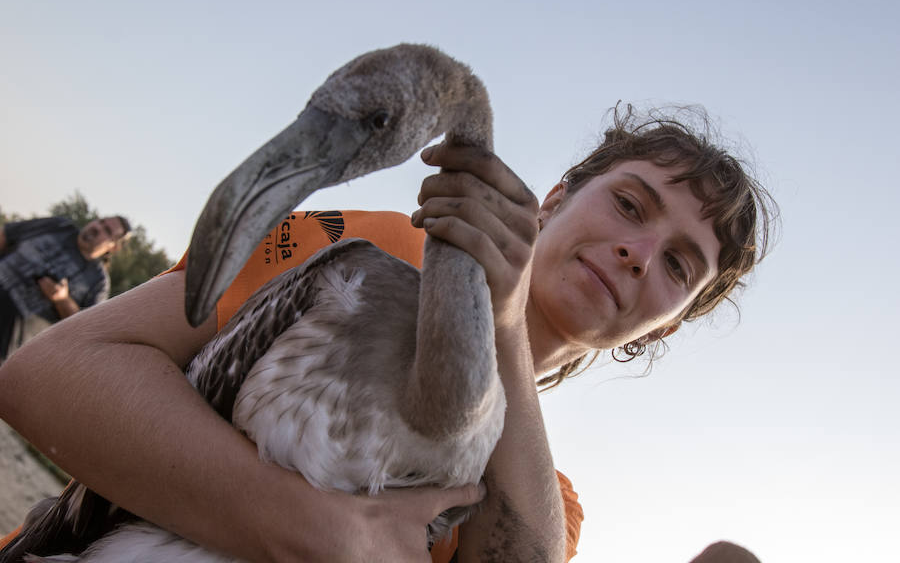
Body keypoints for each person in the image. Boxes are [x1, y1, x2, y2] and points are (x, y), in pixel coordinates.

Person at [0, 106, 775, 562]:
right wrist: (319, 530)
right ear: (555, 196)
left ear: (670, 323)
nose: (637, 256)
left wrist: (501, 318)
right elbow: (49, 376)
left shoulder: (551, 507)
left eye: (679, 265)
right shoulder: (349, 247)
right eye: (631, 207)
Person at [0, 215, 131, 362]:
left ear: (113, 247)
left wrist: (62, 300)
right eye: (100, 222)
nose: (97, 228)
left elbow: (85, 329)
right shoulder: (58, 226)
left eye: (107, 231)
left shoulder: (98, 282)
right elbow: (6, 234)